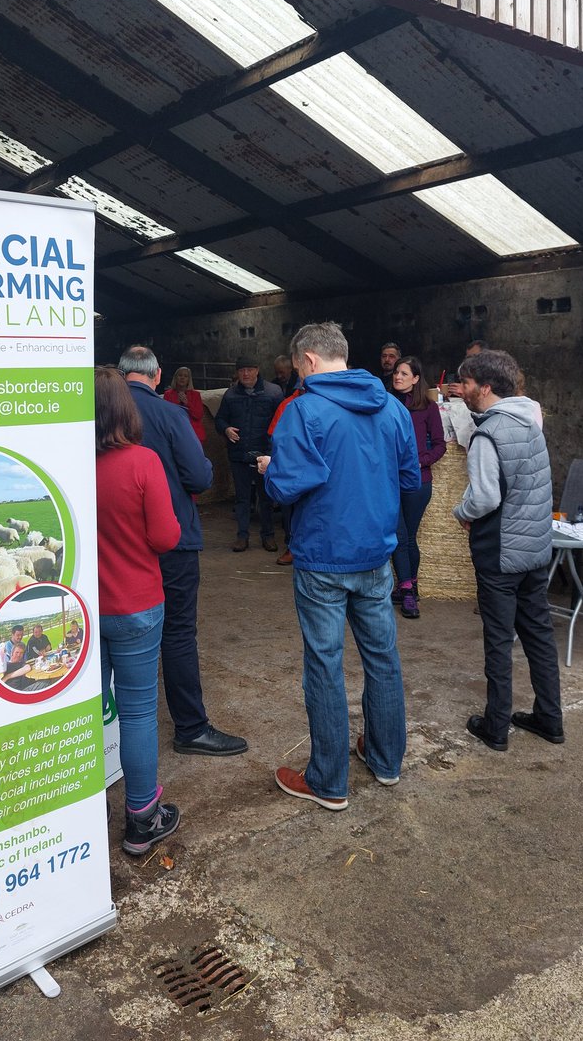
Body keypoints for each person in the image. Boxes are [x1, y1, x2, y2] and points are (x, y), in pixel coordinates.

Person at [258, 322, 420, 808]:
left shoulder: (303, 410)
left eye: (298, 367)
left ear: (308, 359)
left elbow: (287, 486)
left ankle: (328, 781)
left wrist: (270, 469)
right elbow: (409, 478)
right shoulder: (392, 407)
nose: (299, 374)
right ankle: (386, 760)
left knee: (325, 666)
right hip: (375, 554)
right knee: (383, 659)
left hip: (322, 557)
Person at [120, 346, 247, 757]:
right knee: (176, 631)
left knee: (121, 629)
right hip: (172, 536)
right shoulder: (169, 414)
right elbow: (199, 476)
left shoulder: (102, 417)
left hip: (117, 540)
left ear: (122, 374)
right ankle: (190, 728)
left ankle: (110, 733)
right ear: (158, 375)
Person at [453, 349, 564, 751]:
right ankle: (550, 719)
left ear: (485, 388)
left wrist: (460, 511)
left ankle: (496, 726)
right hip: (534, 549)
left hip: (500, 553)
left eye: (466, 383)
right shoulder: (531, 421)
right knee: (539, 636)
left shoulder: (488, 434)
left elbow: (484, 497)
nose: (462, 390)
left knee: (499, 641)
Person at [95, 365, 183, 854]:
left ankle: (85, 817)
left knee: (85, 714)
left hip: (83, 614)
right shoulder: (143, 462)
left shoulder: (72, 467)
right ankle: (142, 817)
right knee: (138, 711)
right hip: (137, 605)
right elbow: (166, 537)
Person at [391, 356, 446, 618]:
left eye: (404, 373)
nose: (397, 376)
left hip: (418, 482)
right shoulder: (386, 404)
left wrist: (419, 462)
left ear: (415, 379)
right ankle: (407, 588)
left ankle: (409, 587)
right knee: (398, 536)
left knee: (407, 537)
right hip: (390, 482)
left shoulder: (428, 408)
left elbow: (440, 445)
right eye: (396, 372)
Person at [215, 355, 282, 552]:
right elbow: (220, 419)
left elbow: (282, 421)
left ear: (257, 370)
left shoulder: (273, 392)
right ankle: (242, 536)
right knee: (242, 498)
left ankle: (268, 536)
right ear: (237, 373)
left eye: (249, 369)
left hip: (264, 454)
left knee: (266, 498)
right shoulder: (230, 395)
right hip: (239, 454)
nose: (245, 374)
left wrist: (272, 452)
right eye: (242, 370)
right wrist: (226, 429)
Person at [266, 381, 306, 566]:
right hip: (292, 463)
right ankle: (292, 546)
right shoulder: (288, 404)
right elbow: (274, 434)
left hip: (312, 464)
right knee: (289, 508)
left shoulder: (325, 403)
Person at [163, 367, 206, 443]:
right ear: (175, 378)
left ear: (189, 380)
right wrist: (177, 403)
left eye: (185, 376)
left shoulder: (195, 395)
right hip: (175, 431)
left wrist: (187, 403)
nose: (182, 378)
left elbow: (198, 415)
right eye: (180, 375)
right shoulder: (168, 394)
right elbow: (166, 415)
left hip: (193, 433)